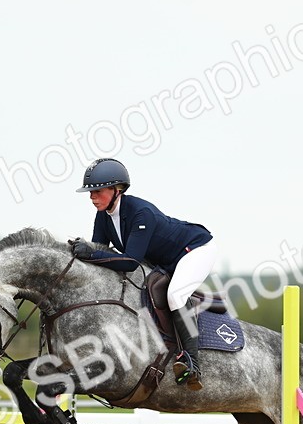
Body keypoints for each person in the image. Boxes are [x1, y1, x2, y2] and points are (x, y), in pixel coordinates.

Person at [69, 158, 215, 390]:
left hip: (194, 250)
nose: (92, 197)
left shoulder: (140, 213)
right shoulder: (103, 215)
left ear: (117, 190)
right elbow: (101, 252)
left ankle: (192, 362)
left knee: (176, 296)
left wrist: (90, 254)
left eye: (97, 191)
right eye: (90, 192)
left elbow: (129, 262)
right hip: (164, 261)